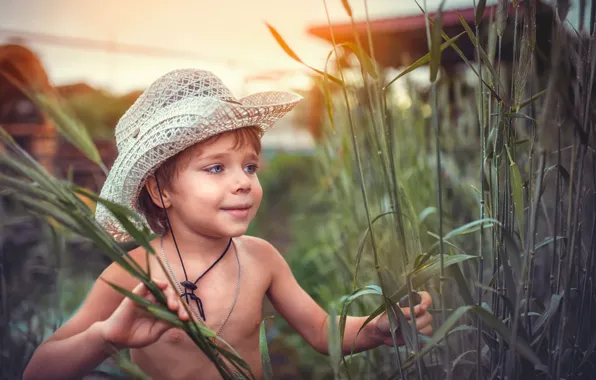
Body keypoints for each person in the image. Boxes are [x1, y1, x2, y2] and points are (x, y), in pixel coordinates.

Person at [23, 69, 433, 380]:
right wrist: (106, 337)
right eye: (216, 168)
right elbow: (38, 370)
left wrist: (377, 328)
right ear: (160, 191)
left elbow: (322, 330)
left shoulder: (261, 259)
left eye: (250, 167)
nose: (243, 182)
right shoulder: (134, 272)